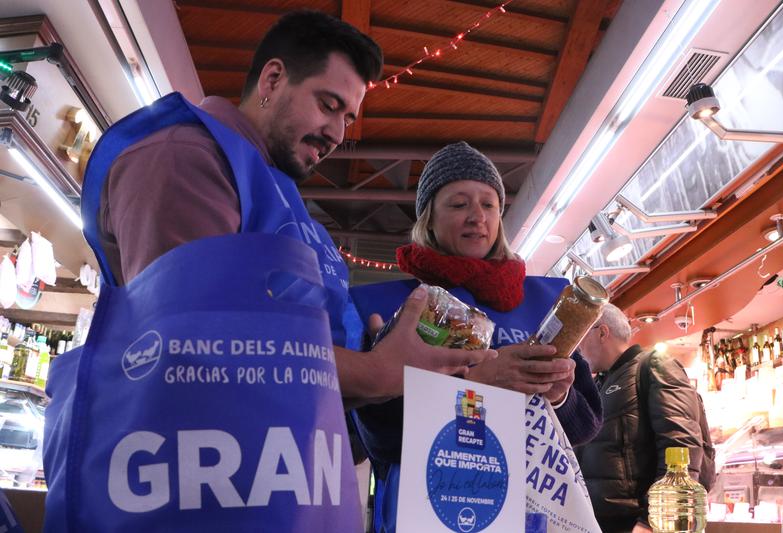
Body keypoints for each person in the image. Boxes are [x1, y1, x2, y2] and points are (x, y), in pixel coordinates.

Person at [43, 12, 493, 531]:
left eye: (348, 117)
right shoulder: (185, 158)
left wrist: (382, 359)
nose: (337, 133)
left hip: (264, 482)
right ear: (273, 79)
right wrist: (376, 372)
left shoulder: (278, 197)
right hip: (189, 491)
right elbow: (195, 346)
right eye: (329, 105)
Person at [348, 141, 603, 533]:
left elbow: (585, 427)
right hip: (428, 514)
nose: (476, 217)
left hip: (530, 518)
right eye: (458, 204)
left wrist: (559, 397)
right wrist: (474, 387)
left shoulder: (548, 305)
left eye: (488, 204)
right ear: (428, 219)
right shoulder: (396, 308)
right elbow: (379, 439)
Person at [575, 303, 712, 533]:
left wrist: (650, 522)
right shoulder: (599, 384)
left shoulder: (654, 366)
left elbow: (681, 444)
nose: (577, 346)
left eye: (580, 334)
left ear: (602, 332)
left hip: (635, 523)